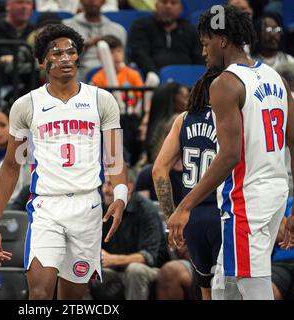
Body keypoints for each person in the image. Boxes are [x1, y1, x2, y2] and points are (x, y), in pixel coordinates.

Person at [0, 24, 127, 300]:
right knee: (38, 294)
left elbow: (115, 160)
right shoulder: (26, 105)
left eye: (71, 52)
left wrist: (120, 196)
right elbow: (12, 166)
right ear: (42, 62)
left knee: (71, 299)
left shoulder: (102, 100)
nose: (65, 57)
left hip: (87, 205)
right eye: (57, 52)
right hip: (46, 206)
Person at [167, 5, 294, 300]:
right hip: (275, 192)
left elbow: (229, 155)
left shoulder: (225, 83)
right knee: (225, 282)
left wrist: (185, 205)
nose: (203, 52)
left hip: (247, 199)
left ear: (221, 39)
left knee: (252, 285)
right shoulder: (278, 79)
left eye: (205, 42)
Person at [152, 68, 222, 300]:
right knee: (232, 290)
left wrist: (172, 215)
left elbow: (158, 169)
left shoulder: (182, 119)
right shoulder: (233, 117)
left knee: (206, 291)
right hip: (224, 213)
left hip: (191, 217)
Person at [89, 173, 169, 300]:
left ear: (128, 188)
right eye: (104, 184)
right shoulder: (101, 209)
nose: (105, 190)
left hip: (151, 270)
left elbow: (149, 257)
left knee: (134, 270)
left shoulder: (146, 210)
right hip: (114, 270)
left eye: (110, 184)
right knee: (82, 270)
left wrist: (113, 259)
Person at [128, 0, 204, 76]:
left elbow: (200, 59)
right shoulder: (141, 26)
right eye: (164, 2)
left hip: (187, 79)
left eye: (173, 3)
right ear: (156, 5)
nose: (168, 6)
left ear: (181, 9)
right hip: (153, 80)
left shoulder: (191, 30)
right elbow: (139, 54)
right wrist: (155, 75)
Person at [63, 0, 127, 82]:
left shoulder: (118, 30)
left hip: (111, 79)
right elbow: (63, 59)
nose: (92, 1)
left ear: (104, 1)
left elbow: (122, 62)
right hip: (78, 79)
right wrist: (84, 46)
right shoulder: (66, 27)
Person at [90, 34, 145, 110]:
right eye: (111, 52)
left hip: (131, 116)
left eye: (119, 51)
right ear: (101, 56)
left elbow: (142, 99)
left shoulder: (133, 74)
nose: (116, 55)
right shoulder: (97, 78)